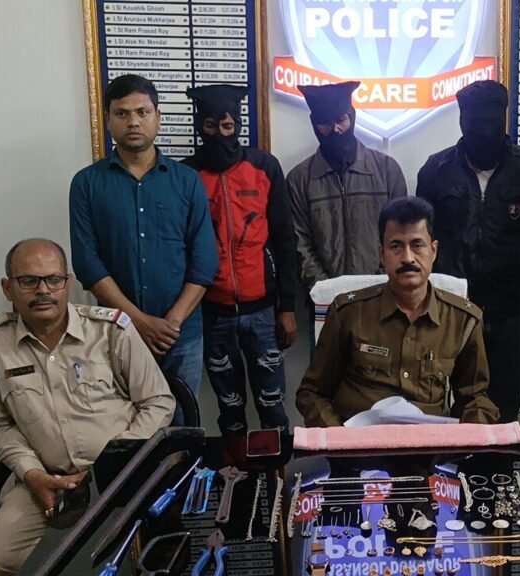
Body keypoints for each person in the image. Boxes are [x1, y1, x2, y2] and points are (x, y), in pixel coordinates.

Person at [0, 239, 174, 575]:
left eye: (53, 279)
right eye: (29, 280)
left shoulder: (110, 330)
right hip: (45, 482)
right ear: (7, 288)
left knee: (119, 562)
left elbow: (157, 401)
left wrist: (111, 464)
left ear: (68, 283)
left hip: (119, 477)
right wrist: (33, 475)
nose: (43, 290)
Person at [69, 74, 218, 399]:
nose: (133, 122)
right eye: (122, 113)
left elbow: (205, 260)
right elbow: (87, 263)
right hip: (114, 332)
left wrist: (172, 322)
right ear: (108, 119)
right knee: (119, 420)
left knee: (183, 420)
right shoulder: (87, 184)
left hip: (180, 335)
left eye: (142, 112)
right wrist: (136, 320)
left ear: (158, 117)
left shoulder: (188, 181)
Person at [296, 197, 499, 426]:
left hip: (428, 443)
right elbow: (312, 393)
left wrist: (470, 434)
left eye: (417, 245)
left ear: (433, 251)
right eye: (396, 246)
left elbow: (475, 399)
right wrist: (338, 436)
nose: (408, 258)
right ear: (382, 254)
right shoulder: (348, 313)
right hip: (358, 441)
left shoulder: (463, 320)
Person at [416, 80, 520, 423]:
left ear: (502, 119)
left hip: (507, 306)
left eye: (490, 123)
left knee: (505, 402)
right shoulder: (436, 170)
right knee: (443, 401)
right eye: (475, 123)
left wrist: (511, 262)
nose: (483, 132)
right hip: (450, 307)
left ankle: (501, 460)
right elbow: (425, 235)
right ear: (462, 121)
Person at [182, 83, 298, 435]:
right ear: (199, 126)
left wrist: (287, 307)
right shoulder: (186, 175)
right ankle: (236, 467)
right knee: (230, 409)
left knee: (272, 405)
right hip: (212, 313)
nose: (220, 134)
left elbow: (285, 239)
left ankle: (276, 469)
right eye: (210, 127)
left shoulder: (264, 167)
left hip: (263, 312)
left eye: (228, 126)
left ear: (239, 125)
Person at [286, 81, 408, 289]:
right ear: (314, 124)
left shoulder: (387, 170)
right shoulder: (299, 179)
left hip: (383, 292)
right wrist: (326, 290)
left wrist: (378, 284)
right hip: (324, 298)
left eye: (341, 120)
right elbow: (301, 243)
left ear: (352, 117)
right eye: (324, 123)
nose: (335, 130)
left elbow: (401, 234)